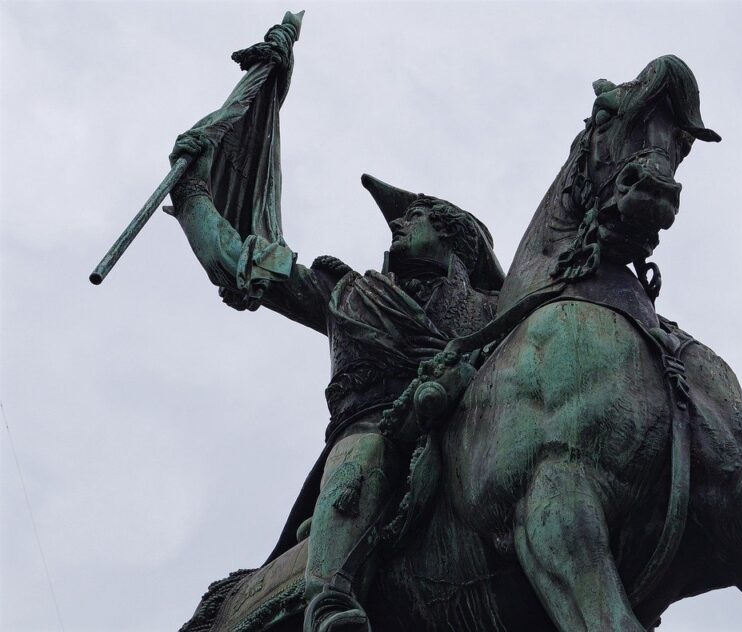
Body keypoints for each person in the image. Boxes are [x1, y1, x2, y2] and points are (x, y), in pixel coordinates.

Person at [167, 131, 504, 632]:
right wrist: (193, 194)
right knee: (363, 456)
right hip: (374, 428)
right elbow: (234, 260)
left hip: (469, 430)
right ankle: (330, 600)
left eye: (416, 216)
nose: (400, 224)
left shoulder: (495, 311)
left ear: (454, 235)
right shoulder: (348, 293)